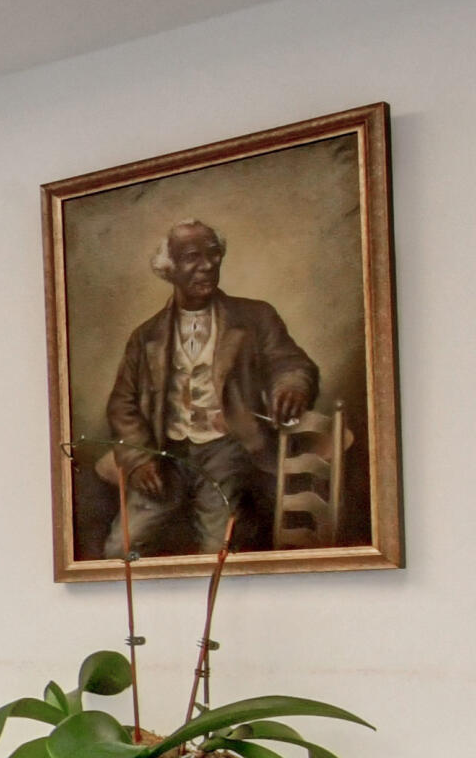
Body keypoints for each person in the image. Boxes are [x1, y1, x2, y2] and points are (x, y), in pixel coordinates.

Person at [102, 220, 318, 554]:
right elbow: (122, 404)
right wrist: (138, 459)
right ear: (168, 269)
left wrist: (291, 387)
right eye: (192, 257)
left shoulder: (256, 317)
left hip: (228, 451)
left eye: (213, 255)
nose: (207, 265)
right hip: (164, 455)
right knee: (119, 549)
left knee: (218, 553)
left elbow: (290, 364)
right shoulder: (146, 336)